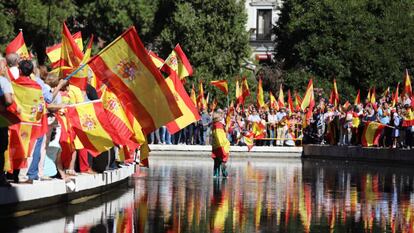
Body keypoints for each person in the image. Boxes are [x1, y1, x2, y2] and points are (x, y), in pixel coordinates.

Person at [0, 56, 15, 187]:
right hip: (1, 117)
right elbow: (10, 100)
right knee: (1, 147)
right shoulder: (3, 81)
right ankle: (0, 178)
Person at [211, 112, 230, 177]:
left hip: (216, 145)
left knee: (216, 162)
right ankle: (224, 175)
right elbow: (220, 137)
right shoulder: (219, 125)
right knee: (222, 160)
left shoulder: (214, 125)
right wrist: (225, 142)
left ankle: (216, 175)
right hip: (221, 145)